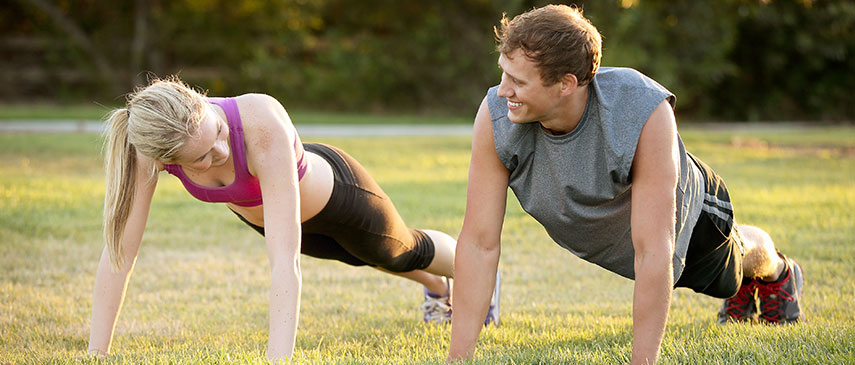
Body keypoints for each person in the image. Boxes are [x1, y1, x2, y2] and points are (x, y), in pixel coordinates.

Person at [447, 5, 805, 364]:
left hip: (693, 219)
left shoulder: (640, 109)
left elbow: (654, 250)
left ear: (565, 84)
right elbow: (479, 244)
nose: (501, 91)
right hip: (621, 238)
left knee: (732, 267)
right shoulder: (497, 118)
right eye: (503, 74)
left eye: (519, 82)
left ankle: (779, 272)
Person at [88, 77, 495, 361]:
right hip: (277, 218)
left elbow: (285, 264)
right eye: (202, 158)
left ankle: (478, 282)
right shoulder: (149, 149)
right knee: (363, 259)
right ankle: (439, 290)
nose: (221, 152)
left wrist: (277, 360)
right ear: (166, 160)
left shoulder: (259, 121)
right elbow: (121, 252)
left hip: (340, 197)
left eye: (217, 133)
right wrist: (96, 354)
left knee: (403, 251)